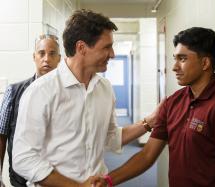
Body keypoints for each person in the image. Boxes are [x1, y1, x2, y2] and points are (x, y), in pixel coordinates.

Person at [12, 9, 158, 187]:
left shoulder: (104, 88)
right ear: (81, 47)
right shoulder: (41, 91)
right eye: (106, 47)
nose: (112, 54)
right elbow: (23, 158)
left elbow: (110, 137)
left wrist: (149, 122)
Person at [102, 27, 215, 187]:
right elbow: (147, 155)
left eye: (183, 59)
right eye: (175, 58)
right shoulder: (172, 102)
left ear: (205, 63)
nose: (174, 67)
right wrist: (108, 180)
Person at [0, 34, 61, 187]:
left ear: (59, 58)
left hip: (57, 177)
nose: (46, 58)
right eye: (41, 53)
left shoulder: (68, 92)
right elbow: (2, 136)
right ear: (34, 57)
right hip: (21, 178)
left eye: (52, 53)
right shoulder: (13, 92)